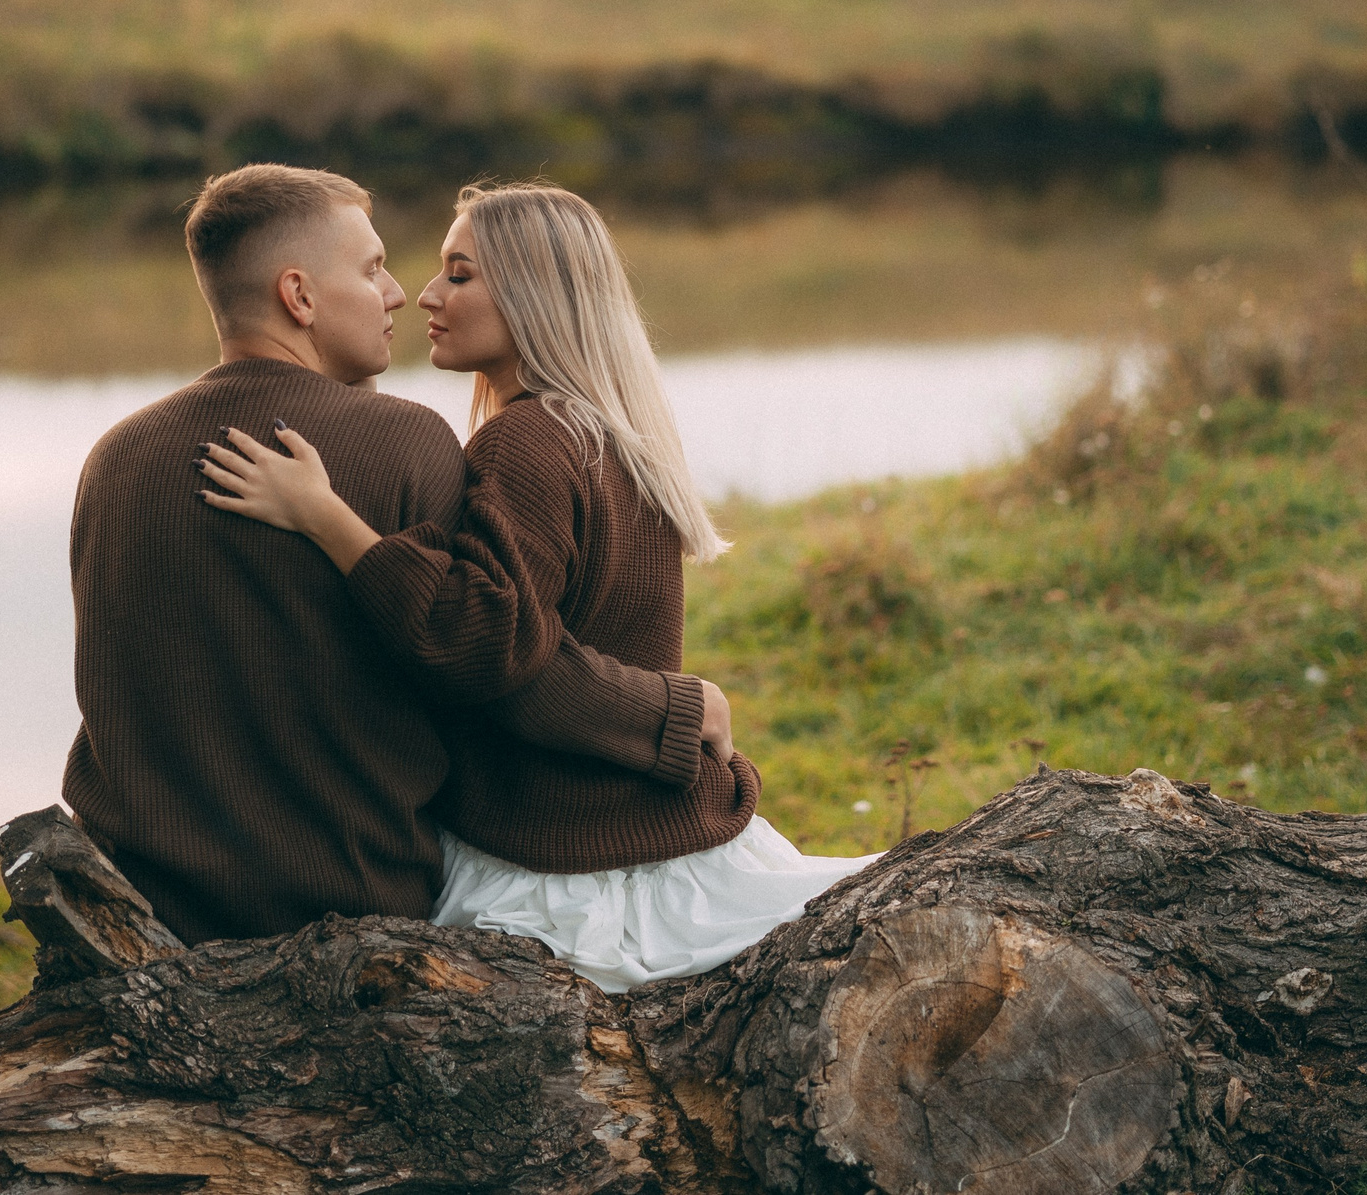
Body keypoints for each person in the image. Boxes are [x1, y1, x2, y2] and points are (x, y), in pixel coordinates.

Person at [200, 182, 875, 991]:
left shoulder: (524, 444)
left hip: (566, 865)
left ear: (530, 296)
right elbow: (550, 642)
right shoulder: (603, 430)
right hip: (658, 839)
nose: (424, 294)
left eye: (459, 274)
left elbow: (486, 645)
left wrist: (324, 517)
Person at [63, 163, 733, 942]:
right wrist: (678, 709)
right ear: (300, 295)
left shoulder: (113, 457)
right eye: (374, 267)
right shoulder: (410, 443)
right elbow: (494, 658)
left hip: (146, 907)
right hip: (356, 905)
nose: (399, 293)